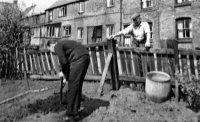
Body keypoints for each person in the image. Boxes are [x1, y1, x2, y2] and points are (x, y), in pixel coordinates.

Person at [47, 39, 90, 120]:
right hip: (85, 57)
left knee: (72, 86)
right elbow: (67, 62)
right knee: (77, 85)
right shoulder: (64, 44)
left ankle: (71, 114)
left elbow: (64, 62)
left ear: (52, 45)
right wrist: (66, 77)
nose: (53, 52)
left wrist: (63, 73)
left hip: (78, 59)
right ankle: (75, 111)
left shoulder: (57, 46)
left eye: (51, 50)